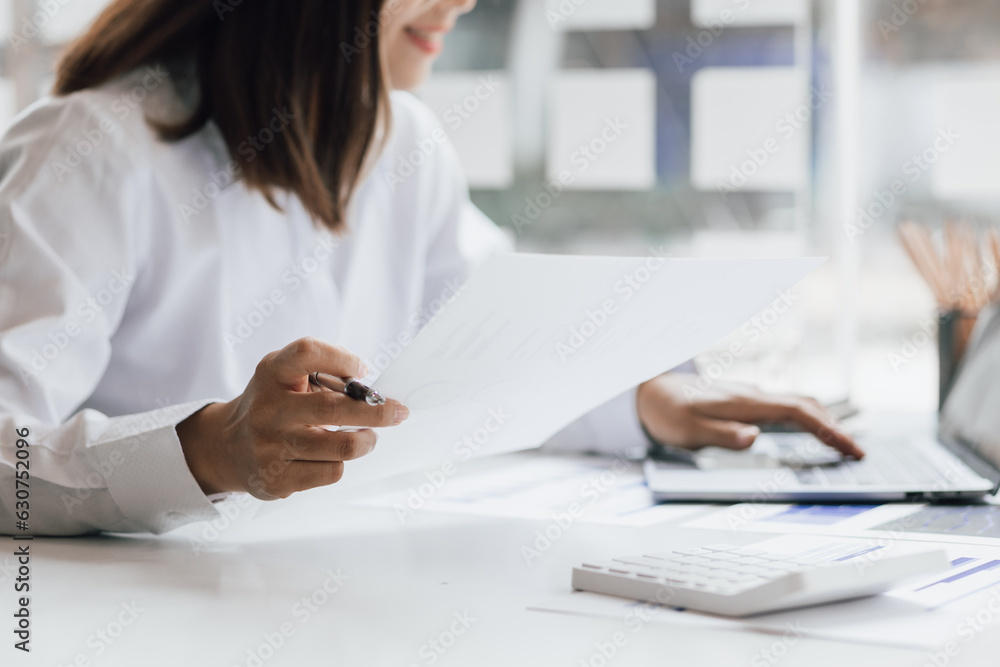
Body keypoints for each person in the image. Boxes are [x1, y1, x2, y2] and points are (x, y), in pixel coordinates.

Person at [0, 0, 861, 536]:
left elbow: (488, 339)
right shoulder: (91, 148)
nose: (463, 0)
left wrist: (645, 397)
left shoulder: (401, 140)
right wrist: (210, 451)